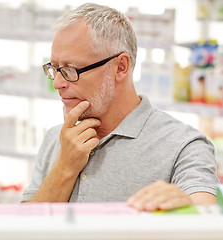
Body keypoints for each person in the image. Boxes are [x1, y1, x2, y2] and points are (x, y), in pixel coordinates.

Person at [21, 3, 218, 211]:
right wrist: (65, 168)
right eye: (55, 69)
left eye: (70, 69)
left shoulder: (184, 145)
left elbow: (205, 211)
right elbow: (24, 229)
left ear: (120, 67)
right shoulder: (56, 138)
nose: (57, 83)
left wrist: (185, 204)